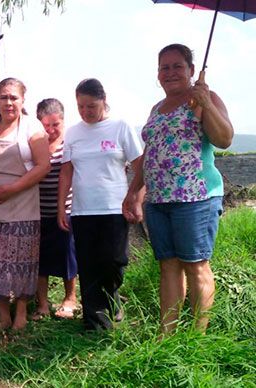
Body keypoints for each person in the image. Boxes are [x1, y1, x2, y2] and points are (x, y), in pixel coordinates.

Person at [124, 44, 233, 334]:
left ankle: (197, 337)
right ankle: (167, 334)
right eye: (164, 67)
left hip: (195, 197)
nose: (169, 72)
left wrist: (206, 104)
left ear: (191, 70)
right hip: (158, 199)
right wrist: (135, 191)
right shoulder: (156, 108)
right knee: (168, 265)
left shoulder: (205, 98)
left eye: (177, 66)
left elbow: (225, 140)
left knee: (195, 264)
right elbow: (150, 153)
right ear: (158, 73)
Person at [57, 78, 143, 331]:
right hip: (83, 210)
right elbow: (66, 172)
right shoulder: (73, 132)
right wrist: (62, 207)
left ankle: (112, 299)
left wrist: (136, 199)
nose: (85, 112)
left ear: (103, 101)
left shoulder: (121, 127)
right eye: (80, 107)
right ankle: (94, 320)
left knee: (115, 261)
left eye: (91, 106)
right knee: (88, 263)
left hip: (115, 207)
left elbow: (140, 167)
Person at [0, 78, 51, 331]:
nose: (8, 102)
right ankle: (3, 314)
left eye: (13, 97)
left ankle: (22, 313)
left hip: (20, 205)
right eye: (3, 97)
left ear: (23, 100)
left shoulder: (31, 128)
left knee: (20, 263)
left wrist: (10, 190)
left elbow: (43, 166)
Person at [32, 98, 77, 320]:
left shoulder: (69, 143)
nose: (50, 130)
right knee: (39, 257)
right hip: (37, 211)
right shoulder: (34, 144)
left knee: (68, 254)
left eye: (55, 125)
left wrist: (63, 209)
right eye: (45, 126)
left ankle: (70, 298)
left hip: (66, 209)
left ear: (63, 121)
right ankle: (41, 303)